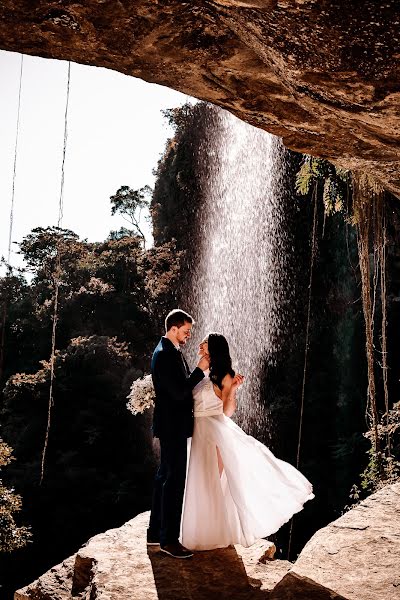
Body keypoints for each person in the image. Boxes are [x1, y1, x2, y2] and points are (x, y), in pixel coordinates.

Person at [181, 332, 314, 551]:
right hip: (197, 430)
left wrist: (232, 390)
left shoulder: (225, 374)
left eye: (204, 343)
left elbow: (226, 411)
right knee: (198, 480)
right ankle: (201, 532)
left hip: (213, 431)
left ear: (213, 347)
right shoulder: (203, 372)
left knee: (211, 481)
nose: (200, 345)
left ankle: (211, 534)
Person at [147, 309, 209, 559]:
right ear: (173, 328)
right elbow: (180, 392)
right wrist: (200, 368)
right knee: (173, 482)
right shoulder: (164, 355)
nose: (188, 336)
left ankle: (155, 534)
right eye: (185, 331)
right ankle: (169, 540)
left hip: (171, 425)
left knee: (164, 477)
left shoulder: (169, 351)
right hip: (172, 426)